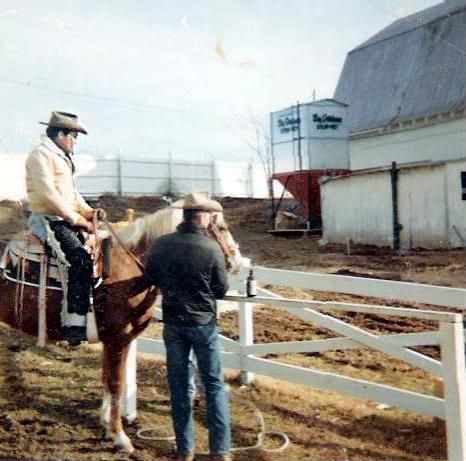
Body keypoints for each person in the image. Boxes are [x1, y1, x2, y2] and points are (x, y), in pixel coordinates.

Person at [144, 192, 232, 461]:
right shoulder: (212, 248)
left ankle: (185, 450)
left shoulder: (161, 244)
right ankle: (220, 451)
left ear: (184, 216)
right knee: (214, 385)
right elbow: (221, 289)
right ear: (203, 217)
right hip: (203, 325)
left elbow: (151, 277)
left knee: (179, 386)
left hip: (173, 323)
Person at [25, 111, 100, 345]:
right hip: (49, 220)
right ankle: (74, 326)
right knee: (80, 259)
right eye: (73, 136)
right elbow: (48, 194)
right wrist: (76, 218)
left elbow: (71, 194)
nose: (75, 141)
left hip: (64, 219)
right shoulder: (40, 156)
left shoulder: (60, 157)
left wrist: (88, 212)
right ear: (60, 134)